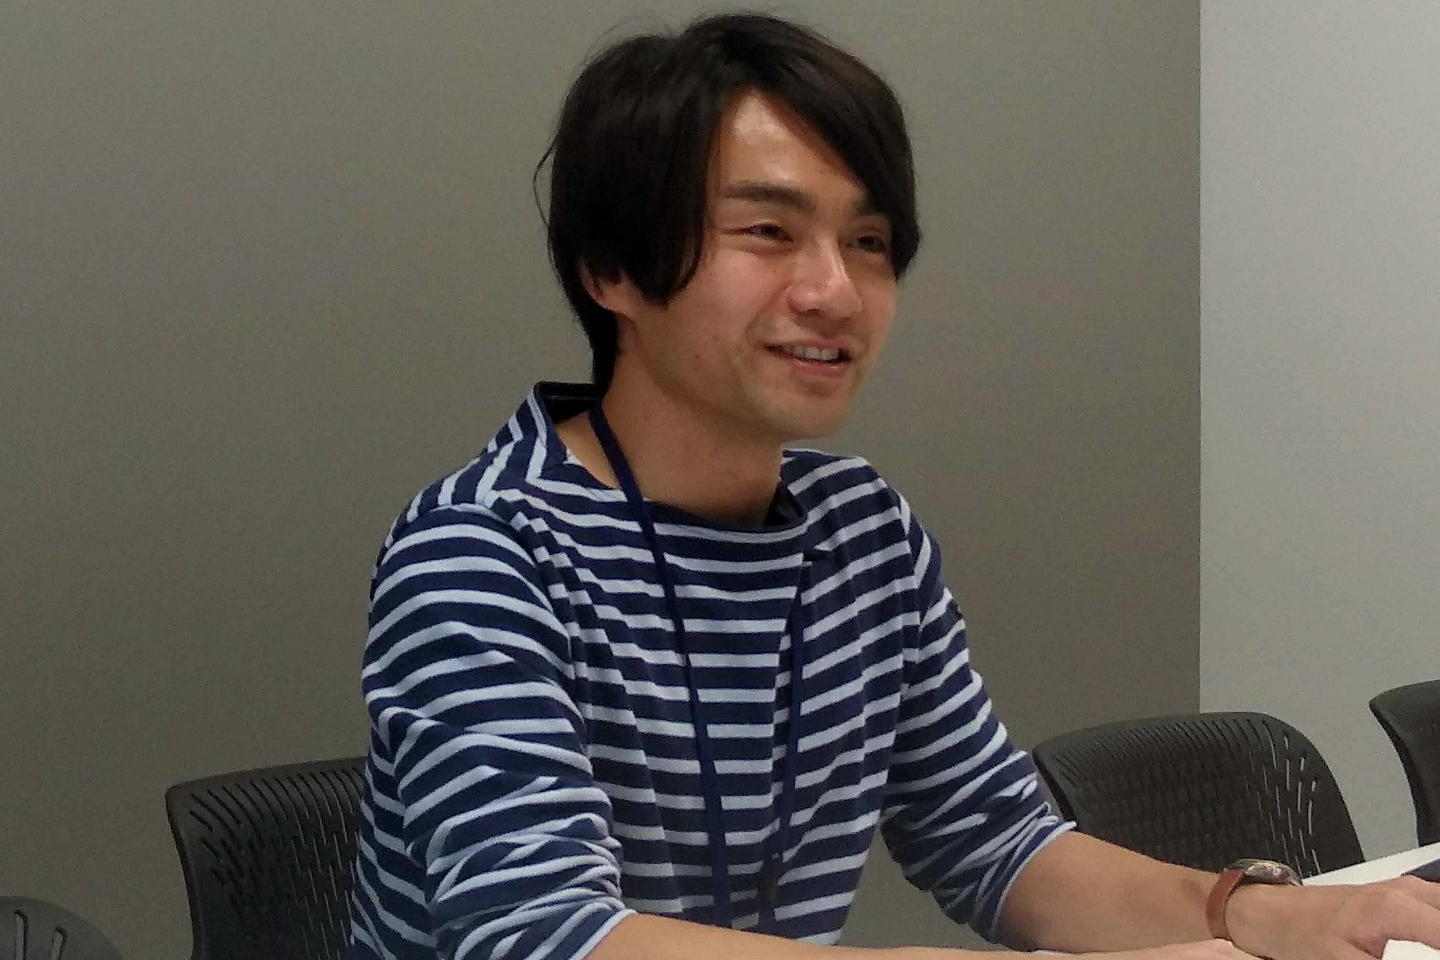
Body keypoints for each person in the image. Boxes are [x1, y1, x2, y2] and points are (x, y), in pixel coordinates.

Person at [346, 12, 1440, 960]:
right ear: (613, 268)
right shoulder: (483, 549)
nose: (835, 289)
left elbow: (995, 840)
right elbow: (542, 934)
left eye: (869, 241)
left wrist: (1258, 913)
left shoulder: (860, 530)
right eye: (769, 232)